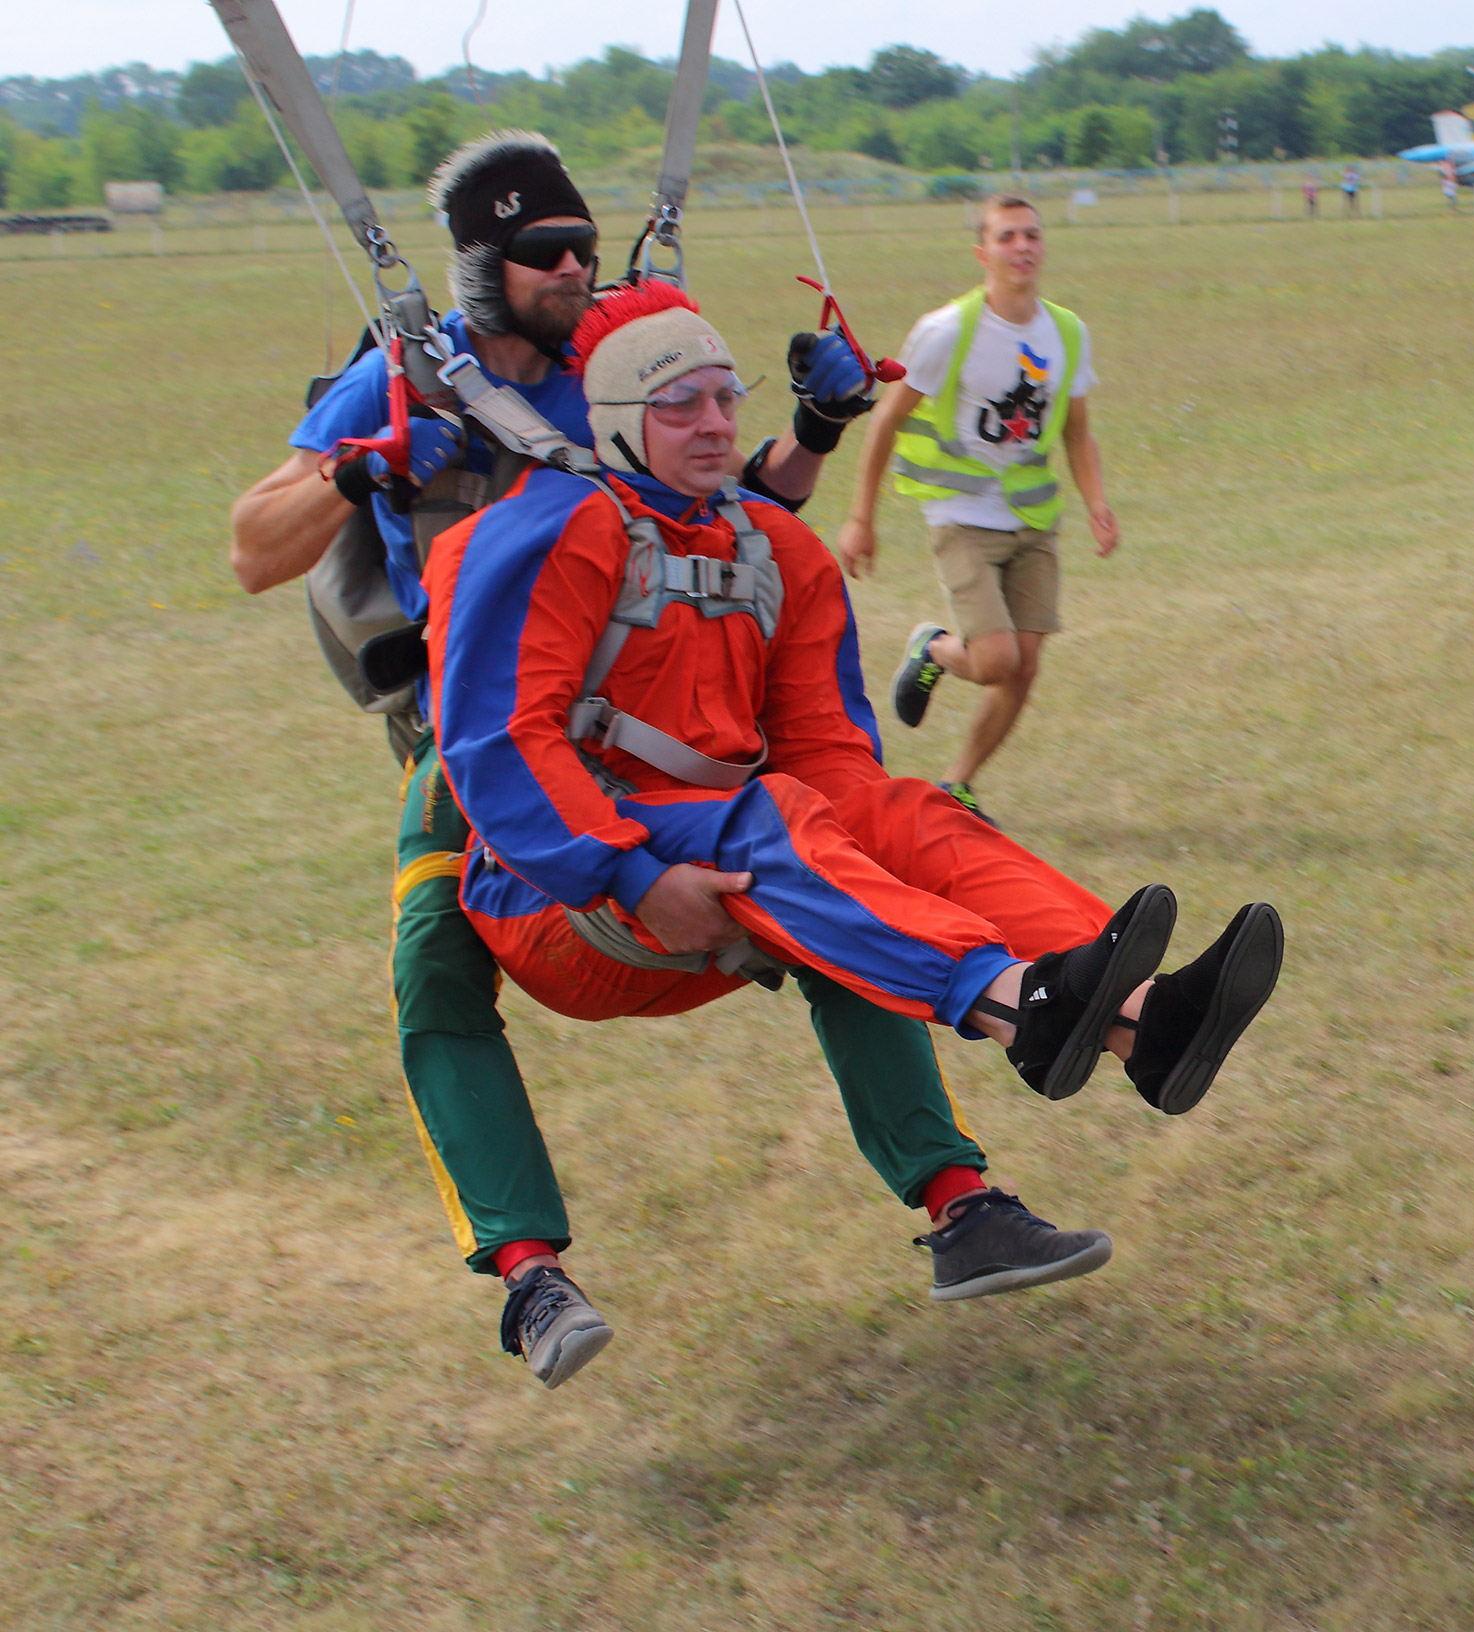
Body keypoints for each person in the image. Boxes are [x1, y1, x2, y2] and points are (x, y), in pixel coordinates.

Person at [227, 134, 1033, 1387]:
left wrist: (816, 428)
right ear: (481, 266)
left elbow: (731, 515)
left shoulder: (617, 362)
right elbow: (253, 549)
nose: (573, 269)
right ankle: (528, 1275)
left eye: (583, 249)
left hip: (654, 720)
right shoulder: (400, 376)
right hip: (485, 740)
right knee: (434, 961)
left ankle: (961, 1204)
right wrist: (357, 470)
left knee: (822, 874)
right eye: (543, 254)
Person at [425, 282, 1285, 1388]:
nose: (715, 424)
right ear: (621, 422)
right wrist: (627, 874)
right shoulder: (553, 530)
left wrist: (851, 834)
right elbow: (502, 740)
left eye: (725, 398)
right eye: (680, 404)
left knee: (897, 811)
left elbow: (829, 755)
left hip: (718, 869)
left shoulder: (775, 548)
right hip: (561, 901)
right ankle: (1016, 1006)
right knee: (776, 821)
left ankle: (1137, 1013)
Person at [835, 194, 1119, 825]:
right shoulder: (947, 330)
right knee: (995, 662)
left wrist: (1098, 504)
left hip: (1034, 517)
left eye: (1032, 235)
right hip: (961, 515)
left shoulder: (1066, 333)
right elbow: (887, 420)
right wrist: (861, 517)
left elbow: (1076, 431)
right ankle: (934, 649)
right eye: (1007, 236)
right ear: (982, 252)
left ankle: (956, 784)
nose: (1022, 247)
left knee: (1025, 666)